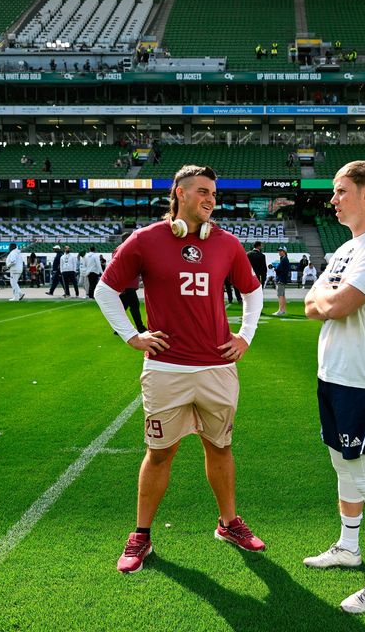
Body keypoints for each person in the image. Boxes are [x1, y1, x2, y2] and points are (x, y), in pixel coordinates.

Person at [94, 164, 266, 574]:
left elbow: (252, 292)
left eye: (214, 193)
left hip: (216, 368)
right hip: (166, 369)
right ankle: (141, 535)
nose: (211, 199)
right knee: (159, 453)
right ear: (180, 193)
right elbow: (105, 290)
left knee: (220, 447)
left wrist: (245, 336)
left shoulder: (226, 242)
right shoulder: (146, 239)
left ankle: (228, 523)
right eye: (203, 191)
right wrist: (131, 336)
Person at [303, 160, 365, 614]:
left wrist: (327, 301)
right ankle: (348, 547)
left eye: (341, 190)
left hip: (362, 380)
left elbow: (338, 304)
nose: (333, 199)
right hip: (332, 373)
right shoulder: (348, 248)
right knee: (342, 468)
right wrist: (326, 301)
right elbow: (311, 304)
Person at [116, 232, 147, 333]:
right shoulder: (124, 249)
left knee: (123, 307)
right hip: (127, 284)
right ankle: (140, 327)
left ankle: (118, 329)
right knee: (134, 306)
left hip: (126, 284)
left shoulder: (119, 249)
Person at [274, 247, 291, 316]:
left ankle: (280, 310)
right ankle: (283, 310)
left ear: (284, 252)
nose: (279, 252)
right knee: (282, 295)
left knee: (280, 295)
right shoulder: (284, 259)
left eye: (281, 251)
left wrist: (275, 268)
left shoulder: (284, 259)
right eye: (279, 251)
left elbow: (278, 269)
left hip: (281, 279)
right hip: (282, 279)